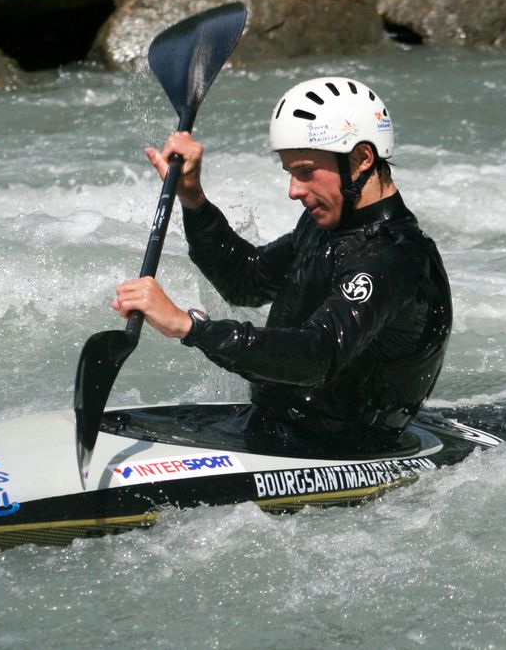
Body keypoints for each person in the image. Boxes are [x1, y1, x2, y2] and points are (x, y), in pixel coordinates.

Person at [111, 77, 452, 455]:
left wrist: (190, 327)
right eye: (290, 172)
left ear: (362, 159)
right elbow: (248, 281)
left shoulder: (392, 259)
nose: (293, 190)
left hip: (338, 446)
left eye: (306, 171)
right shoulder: (329, 227)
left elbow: (316, 357)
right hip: (281, 426)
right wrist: (193, 199)